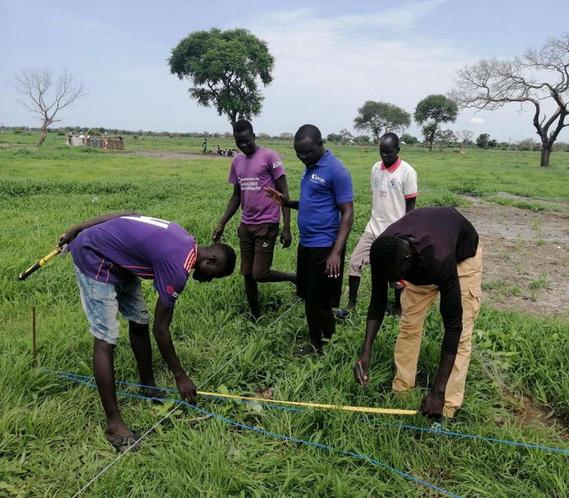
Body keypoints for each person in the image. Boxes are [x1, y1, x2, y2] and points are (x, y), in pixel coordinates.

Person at [60, 212, 236, 451]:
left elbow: (127, 214)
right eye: (214, 277)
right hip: (95, 256)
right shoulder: (178, 267)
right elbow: (161, 329)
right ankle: (114, 425)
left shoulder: (182, 235)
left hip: (121, 262)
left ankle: (148, 384)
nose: (209, 280)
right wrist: (180, 375)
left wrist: (76, 226)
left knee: (139, 321)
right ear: (211, 262)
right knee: (106, 337)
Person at [353, 207, 483, 420]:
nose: (394, 284)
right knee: (409, 325)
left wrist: (437, 391)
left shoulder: (440, 258)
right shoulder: (384, 252)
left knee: (461, 337)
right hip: (421, 259)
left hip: (462, 257)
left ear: (407, 261)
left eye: (396, 279)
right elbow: (377, 302)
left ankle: (446, 405)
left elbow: (453, 325)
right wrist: (366, 351)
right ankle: (402, 389)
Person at [265, 124, 353, 354]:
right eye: (299, 153)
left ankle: (324, 345)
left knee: (319, 302)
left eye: (307, 152)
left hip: (325, 247)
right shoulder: (311, 167)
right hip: (307, 244)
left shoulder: (336, 171)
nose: (303, 157)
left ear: (320, 144)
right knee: (309, 298)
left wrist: (336, 252)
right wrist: (285, 202)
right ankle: (320, 342)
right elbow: (311, 203)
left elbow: (348, 213)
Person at [212, 120, 295, 319]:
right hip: (246, 225)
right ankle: (255, 314)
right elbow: (236, 196)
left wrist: (287, 226)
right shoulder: (237, 161)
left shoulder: (269, 156)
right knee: (247, 273)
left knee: (260, 273)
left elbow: (284, 193)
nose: (243, 145)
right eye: (239, 142)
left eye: (247, 141)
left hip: (267, 224)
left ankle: (294, 277)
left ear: (254, 136)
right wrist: (222, 223)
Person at [337, 132, 417, 319]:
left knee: (395, 275)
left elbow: (411, 208)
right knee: (355, 263)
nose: (384, 156)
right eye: (382, 152)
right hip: (373, 228)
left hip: (395, 232)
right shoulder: (375, 168)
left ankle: (398, 308)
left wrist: (406, 235)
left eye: (389, 152)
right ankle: (351, 305)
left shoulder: (407, 172)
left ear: (398, 150)